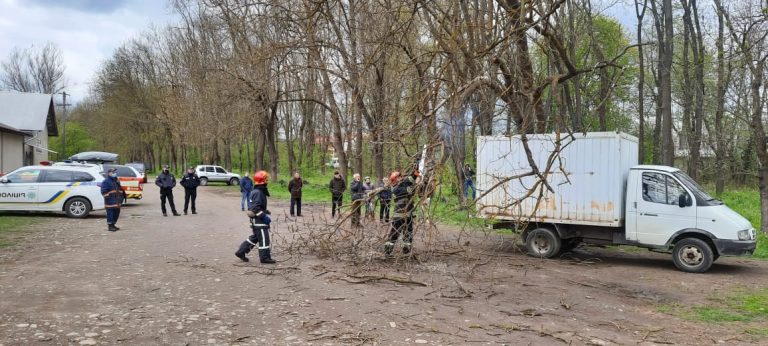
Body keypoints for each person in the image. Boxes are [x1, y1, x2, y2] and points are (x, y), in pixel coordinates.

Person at [235, 170, 276, 264]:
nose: (267, 181)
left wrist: (265, 211)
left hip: (256, 221)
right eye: (266, 179)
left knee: (255, 237)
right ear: (262, 181)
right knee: (264, 239)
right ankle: (264, 258)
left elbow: (256, 206)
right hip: (259, 221)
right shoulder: (258, 192)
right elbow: (255, 208)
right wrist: (264, 216)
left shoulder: (257, 191)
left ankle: (241, 252)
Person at [384, 170, 420, 256]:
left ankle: (406, 250)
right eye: (399, 177)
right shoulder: (396, 188)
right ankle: (388, 250)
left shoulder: (402, 184)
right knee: (395, 233)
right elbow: (409, 190)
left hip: (409, 214)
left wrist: (415, 172)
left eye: (401, 177)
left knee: (408, 232)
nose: (402, 178)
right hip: (399, 216)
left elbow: (409, 180)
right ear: (395, 179)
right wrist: (417, 184)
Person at [101, 167, 122, 232]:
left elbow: (119, 190)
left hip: (117, 201)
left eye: (115, 172)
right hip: (110, 202)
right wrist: (108, 198)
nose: (114, 173)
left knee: (116, 213)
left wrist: (121, 198)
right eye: (113, 172)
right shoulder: (106, 181)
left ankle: (113, 225)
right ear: (109, 173)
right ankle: (110, 226)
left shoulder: (116, 180)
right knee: (110, 214)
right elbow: (103, 191)